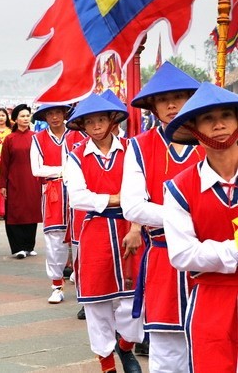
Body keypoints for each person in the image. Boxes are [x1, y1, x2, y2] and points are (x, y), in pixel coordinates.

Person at [121, 62, 202, 372]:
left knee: (214, 343)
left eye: (180, 96)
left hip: (211, 259)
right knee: (167, 351)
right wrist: (189, 216)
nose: (172, 104)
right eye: (163, 98)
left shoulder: (215, 143)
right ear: (152, 105)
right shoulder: (139, 147)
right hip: (164, 259)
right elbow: (133, 207)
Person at [64, 94, 144, 373]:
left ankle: (126, 346)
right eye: (89, 121)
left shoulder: (132, 149)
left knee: (134, 295)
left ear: (112, 121)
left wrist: (133, 217)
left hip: (130, 225)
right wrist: (116, 198)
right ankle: (106, 361)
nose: (96, 125)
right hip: (96, 228)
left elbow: (141, 189)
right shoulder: (75, 156)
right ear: (82, 126)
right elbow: (78, 197)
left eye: (101, 119)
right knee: (97, 300)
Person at [163, 82, 238, 373]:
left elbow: (196, 251)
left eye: (226, 116)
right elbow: (182, 254)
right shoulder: (179, 188)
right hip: (210, 297)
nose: (219, 124)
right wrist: (234, 251)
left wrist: (216, 254)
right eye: (208, 118)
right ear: (194, 129)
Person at [30, 103, 72, 303]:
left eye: (58, 112)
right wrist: (63, 170)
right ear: (44, 117)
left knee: (81, 238)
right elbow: (37, 169)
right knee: (54, 240)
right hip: (53, 193)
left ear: (65, 114)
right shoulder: (38, 139)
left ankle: (82, 281)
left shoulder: (78, 135)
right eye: (49, 114)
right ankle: (57, 285)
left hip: (77, 191)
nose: (54, 117)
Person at [0, 104, 42, 258]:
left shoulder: (36, 137)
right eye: (22, 116)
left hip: (33, 179)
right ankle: (17, 247)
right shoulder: (9, 139)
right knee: (15, 211)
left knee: (31, 210)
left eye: (27, 115)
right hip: (14, 179)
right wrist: (2, 184)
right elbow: (4, 163)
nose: (25, 118)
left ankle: (29, 245)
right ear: (15, 119)